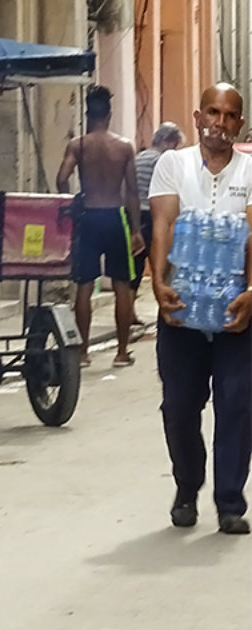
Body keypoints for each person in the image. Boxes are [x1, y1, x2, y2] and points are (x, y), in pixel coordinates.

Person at [148, 82, 252, 535]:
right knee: (179, 405)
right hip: (182, 308)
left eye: (230, 116)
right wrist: (157, 281)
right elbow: (163, 223)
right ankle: (187, 486)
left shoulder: (250, 172)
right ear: (197, 117)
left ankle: (229, 500)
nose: (220, 123)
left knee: (237, 402)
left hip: (236, 311)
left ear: (240, 124)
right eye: (213, 112)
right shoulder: (173, 164)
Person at [55, 85, 146, 368]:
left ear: (88, 113)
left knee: (84, 286)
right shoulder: (124, 146)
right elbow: (131, 191)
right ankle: (121, 352)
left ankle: (82, 352)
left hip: (88, 217)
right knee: (121, 285)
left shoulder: (78, 145)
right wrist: (135, 230)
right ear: (109, 114)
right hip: (115, 217)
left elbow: (61, 178)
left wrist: (73, 202)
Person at [131, 122, 184, 323]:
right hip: (152, 215)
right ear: (169, 142)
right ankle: (165, 306)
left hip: (134, 216)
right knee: (161, 267)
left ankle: (131, 313)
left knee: (134, 269)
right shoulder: (162, 161)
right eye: (176, 145)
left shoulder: (140, 156)